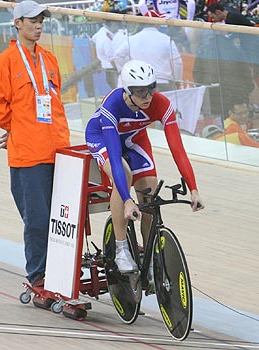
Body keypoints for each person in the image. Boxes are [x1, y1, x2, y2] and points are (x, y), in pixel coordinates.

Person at [85, 59, 204, 273]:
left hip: (134, 139)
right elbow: (114, 156)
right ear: (128, 91)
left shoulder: (162, 104)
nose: (147, 97)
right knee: (125, 174)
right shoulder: (112, 104)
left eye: (151, 89)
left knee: (150, 196)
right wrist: (128, 200)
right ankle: (121, 249)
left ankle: (149, 257)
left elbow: (178, 149)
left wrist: (193, 188)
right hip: (102, 138)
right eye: (140, 92)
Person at [0, 1, 70, 289]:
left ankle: (60, 271)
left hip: (58, 150)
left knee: (62, 220)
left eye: (41, 21)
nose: (38, 25)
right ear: (17, 22)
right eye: (32, 20)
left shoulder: (49, 59)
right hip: (28, 156)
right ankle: (38, 275)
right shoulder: (6, 61)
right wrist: (15, 128)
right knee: (37, 220)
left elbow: (55, 103)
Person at [112, 11, 183, 92]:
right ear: (156, 23)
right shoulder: (166, 39)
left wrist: (131, 70)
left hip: (140, 82)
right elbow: (177, 62)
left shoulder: (132, 39)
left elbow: (117, 56)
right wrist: (177, 80)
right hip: (162, 81)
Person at [91, 21, 121, 89]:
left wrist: (95, 60)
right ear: (113, 24)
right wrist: (119, 71)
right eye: (117, 25)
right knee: (117, 90)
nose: (118, 27)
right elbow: (111, 58)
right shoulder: (106, 39)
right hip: (112, 68)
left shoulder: (102, 30)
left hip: (107, 67)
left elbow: (92, 41)